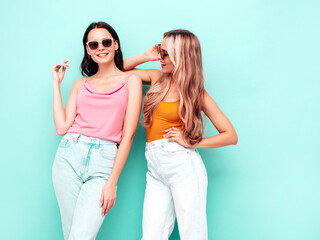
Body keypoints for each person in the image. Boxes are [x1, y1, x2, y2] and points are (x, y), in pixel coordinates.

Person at [124, 29, 238, 240]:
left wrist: (190, 141)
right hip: (155, 168)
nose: (161, 57)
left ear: (181, 56)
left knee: (192, 235)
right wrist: (145, 56)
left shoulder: (196, 92)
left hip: (183, 167)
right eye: (160, 50)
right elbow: (115, 71)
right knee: (151, 236)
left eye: (165, 53)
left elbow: (230, 135)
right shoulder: (156, 77)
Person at [51, 21, 142, 240]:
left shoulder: (132, 80)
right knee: (72, 235)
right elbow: (62, 127)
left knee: (80, 236)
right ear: (88, 51)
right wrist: (56, 84)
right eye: (93, 44)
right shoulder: (80, 84)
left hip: (104, 161)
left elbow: (128, 135)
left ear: (116, 45)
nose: (100, 47)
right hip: (68, 156)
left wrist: (112, 182)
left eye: (106, 42)